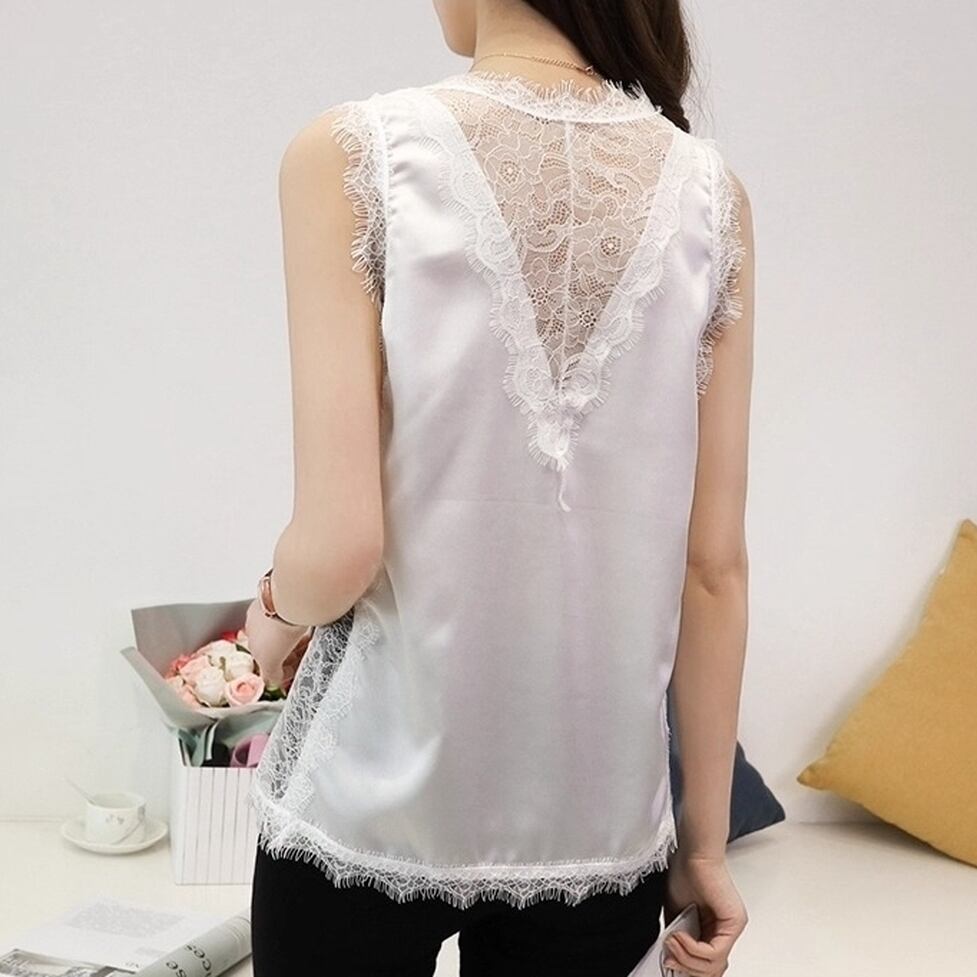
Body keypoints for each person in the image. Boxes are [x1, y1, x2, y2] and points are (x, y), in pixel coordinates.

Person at [244, 0, 754, 973]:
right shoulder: (712, 198)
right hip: (598, 827)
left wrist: (269, 611)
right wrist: (702, 849)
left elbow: (339, 546)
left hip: (367, 805)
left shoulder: (353, 158)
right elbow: (713, 568)